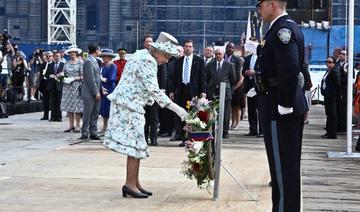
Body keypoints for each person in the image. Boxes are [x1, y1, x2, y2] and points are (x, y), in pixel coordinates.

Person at [103, 32, 188, 198]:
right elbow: (155, 91)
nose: (167, 60)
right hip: (129, 106)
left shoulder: (142, 53)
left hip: (129, 104)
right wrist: (178, 110)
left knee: (137, 144)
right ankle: (130, 184)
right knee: (135, 145)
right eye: (167, 56)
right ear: (158, 52)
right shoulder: (147, 61)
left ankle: (134, 182)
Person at [257, 0, 308, 211]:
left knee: (282, 169)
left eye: (259, 5)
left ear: (272, 4)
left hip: (280, 107)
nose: (258, 10)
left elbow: (289, 69)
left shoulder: (282, 30)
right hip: (280, 103)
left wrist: (285, 104)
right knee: (284, 170)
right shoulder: (282, 28)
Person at [169, 39, 207, 146]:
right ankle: (182, 137)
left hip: (193, 91)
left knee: (192, 115)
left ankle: (190, 137)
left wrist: (203, 92)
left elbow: (203, 78)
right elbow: (174, 78)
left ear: (193, 48)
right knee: (181, 114)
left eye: (190, 46)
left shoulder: (199, 61)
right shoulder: (178, 61)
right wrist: (172, 90)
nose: (188, 48)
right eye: (186, 46)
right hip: (181, 91)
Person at [206, 47, 236, 138]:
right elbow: (207, 78)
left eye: (220, 54)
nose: (218, 56)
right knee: (213, 113)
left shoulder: (229, 65)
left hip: (225, 92)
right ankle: (213, 131)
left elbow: (233, 79)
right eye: (216, 54)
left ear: (223, 54)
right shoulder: (210, 65)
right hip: (212, 92)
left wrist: (228, 88)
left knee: (226, 113)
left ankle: (225, 132)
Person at [60, 45, 83, 133]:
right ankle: (71, 125)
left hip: (76, 86)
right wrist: (62, 76)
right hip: (67, 87)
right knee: (69, 107)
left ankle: (77, 125)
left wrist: (74, 78)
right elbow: (64, 72)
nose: (72, 53)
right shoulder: (67, 63)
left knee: (77, 107)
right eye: (70, 52)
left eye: (73, 52)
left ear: (76, 53)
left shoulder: (81, 62)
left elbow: (83, 76)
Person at [80, 43, 101, 140]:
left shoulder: (95, 61)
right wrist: (95, 92)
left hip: (96, 91)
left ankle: (93, 132)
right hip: (89, 93)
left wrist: (100, 89)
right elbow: (90, 79)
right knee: (88, 113)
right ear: (96, 50)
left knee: (95, 113)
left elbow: (97, 78)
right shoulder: (88, 61)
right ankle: (85, 132)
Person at [243, 41, 264, 137]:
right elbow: (243, 71)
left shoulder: (262, 58)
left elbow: (263, 70)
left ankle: (262, 130)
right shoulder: (247, 58)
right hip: (249, 86)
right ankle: (253, 129)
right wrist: (246, 72)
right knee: (251, 109)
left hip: (259, 87)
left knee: (260, 109)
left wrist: (255, 72)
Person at [225, 42, 245, 129]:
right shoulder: (224, 57)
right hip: (227, 85)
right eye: (229, 47)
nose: (230, 49)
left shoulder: (237, 59)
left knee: (237, 106)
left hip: (237, 86)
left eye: (232, 48)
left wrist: (235, 86)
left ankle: (237, 123)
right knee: (231, 106)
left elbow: (240, 75)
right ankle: (232, 123)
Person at [320, 56, 340, 139]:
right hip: (327, 95)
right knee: (329, 114)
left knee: (332, 114)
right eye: (327, 61)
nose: (327, 63)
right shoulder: (328, 71)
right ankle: (329, 131)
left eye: (330, 62)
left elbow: (337, 84)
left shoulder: (334, 71)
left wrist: (338, 95)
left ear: (334, 63)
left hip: (332, 96)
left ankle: (332, 133)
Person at [98, 49, 117, 134]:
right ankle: (104, 127)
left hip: (110, 89)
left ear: (109, 57)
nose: (104, 58)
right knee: (104, 109)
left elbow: (112, 79)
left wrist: (103, 79)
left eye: (105, 56)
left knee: (109, 109)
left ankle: (110, 128)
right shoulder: (103, 66)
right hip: (102, 88)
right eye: (103, 56)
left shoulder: (113, 66)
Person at [45, 50, 65, 122]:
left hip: (59, 85)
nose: (57, 57)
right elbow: (46, 75)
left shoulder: (63, 65)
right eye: (56, 56)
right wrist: (50, 76)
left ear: (60, 57)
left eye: (58, 56)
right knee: (52, 102)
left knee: (59, 102)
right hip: (52, 85)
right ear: (54, 57)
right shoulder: (50, 65)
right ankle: (53, 117)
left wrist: (61, 76)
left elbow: (66, 75)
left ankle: (59, 117)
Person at [39, 51, 54, 120]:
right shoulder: (43, 64)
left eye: (50, 56)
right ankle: (45, 115)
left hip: (51, 84)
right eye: (47, 56)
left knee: (52, 100)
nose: (48, 57)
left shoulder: (54, 64)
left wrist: (47, 76)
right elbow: (41, 74)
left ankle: (52, 116)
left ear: (52, 57)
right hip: (44, 84)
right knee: (45, 101)